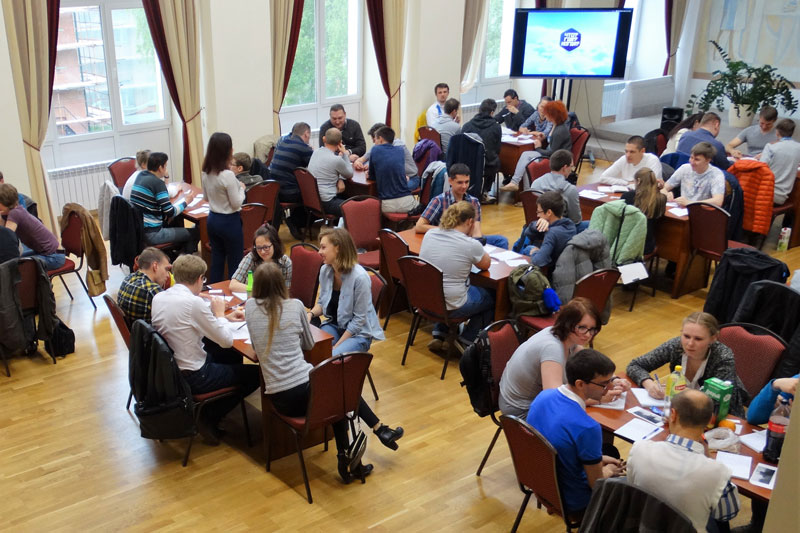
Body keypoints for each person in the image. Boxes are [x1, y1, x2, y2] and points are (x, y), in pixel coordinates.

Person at [245, 262, 404, 483]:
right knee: (339, 393)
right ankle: (364, 444)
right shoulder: (295, 307)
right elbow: (309, 344)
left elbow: (255, 345)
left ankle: (365, 444)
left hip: (279, 398)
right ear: (282, 284)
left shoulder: (249, 307)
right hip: (303, 390)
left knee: (336, 393)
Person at [151, 254, 260, 443]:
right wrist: (219, 314)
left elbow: (187, 323)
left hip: (172, 370)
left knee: (229, 355)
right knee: (256, 375)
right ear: (200, 279)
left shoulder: (159, 297)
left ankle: (218, 403)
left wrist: (221, 318)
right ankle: (210, 416)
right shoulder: (193, 303)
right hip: (195, 375)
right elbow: (226, 340)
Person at [526, 349, 625, 515]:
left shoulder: (543, 397)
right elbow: (596, 484)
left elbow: (560, 446)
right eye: (604, 384)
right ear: (580, 384)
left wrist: (599, 459)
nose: (609, 388)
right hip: (574, 501)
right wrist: (608, 471)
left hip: (542, 484)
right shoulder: (588, 427)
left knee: (608, 452)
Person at [627, 389, 740, 532]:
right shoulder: (718, 472)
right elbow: (727, 513)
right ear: (710, 420)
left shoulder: (639, 449)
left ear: (673, 415)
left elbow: (632, 487)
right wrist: (709, 459)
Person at [500, 298, 608, 417]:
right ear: (568, 324)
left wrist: (610, 381)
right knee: (589, 419)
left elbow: (589, 366)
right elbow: (555, 400)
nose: (588, 335)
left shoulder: (569, 338)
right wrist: (597, 399)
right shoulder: (552, 348)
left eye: (592, 329)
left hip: (533, 403)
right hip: (521, 411)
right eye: (582, 328)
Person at [626, 311, 748, 417]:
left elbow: (718, 401)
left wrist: (683, 394)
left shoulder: (723, 356)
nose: (690, 344)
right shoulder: (675, 345)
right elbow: (635, 365)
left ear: (713, 338)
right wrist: (649, 384)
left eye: (698, 339)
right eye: (686, 336)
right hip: (680, 410)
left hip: (718, 417)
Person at [419, 202, 494, 350]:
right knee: (492, 297)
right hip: (451, 307)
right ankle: (466, 340)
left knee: (444, 286)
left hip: (425, 300)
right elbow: (486, 265)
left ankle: (439, 334)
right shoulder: (470, 244)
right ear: (470, 222)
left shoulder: (430, 234)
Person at [308, 228, 385, 355]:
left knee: (331, 357)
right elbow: (322, 303)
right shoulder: (325, 270)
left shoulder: (360, 277)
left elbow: (358, 320)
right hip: (334, 325)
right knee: (313, 349)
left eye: (323, 247)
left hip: (358, 334)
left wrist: (336, 346)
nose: (319, 252)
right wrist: (310, 314)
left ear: (337, 248)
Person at [415, 163, 509, 249]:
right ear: (450, 181)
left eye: (467, 182)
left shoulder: (474, 201)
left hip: (467, 239)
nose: (464, 186)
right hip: (447, 240)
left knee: (501, 240)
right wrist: (448, 231)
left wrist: (477, 244)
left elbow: (476, 230)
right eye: (460, 182)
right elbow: (419, 226)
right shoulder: (439, 201)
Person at [130, 152, 199, 254]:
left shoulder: (141, 176)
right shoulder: (158, 184)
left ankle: (177, 252)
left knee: (176, 221)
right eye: (165, 166)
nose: (166, 169)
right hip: (154, 233)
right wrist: (186, 202)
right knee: (195, 233)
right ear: (160, 168)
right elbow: (170, 212)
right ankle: (183, 259)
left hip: (141, 230)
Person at [202, 132, 246, 283]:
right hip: (229, 222)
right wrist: (242, 189)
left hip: (212, 219)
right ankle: (234, 293)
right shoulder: (227, 175)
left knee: (217, 261)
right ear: (228, 151)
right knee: (235, 262)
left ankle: (214, 291)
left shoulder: (206, 171)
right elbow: (236, 203)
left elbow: (206, 198)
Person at [506, 100, 573, 189]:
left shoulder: (559, 131)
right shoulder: (556, 125)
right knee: (526, 155)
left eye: (547, 113)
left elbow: (552, 153)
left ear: (552, 115)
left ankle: (524, 188)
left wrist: (538, 148)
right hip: (552, 155)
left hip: (556, 160)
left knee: (528, 162)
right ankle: (520, 186)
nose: (544, 114)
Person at [0, 183, 65, 270]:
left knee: (14, 266)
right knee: (14, 262)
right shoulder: (11, 212)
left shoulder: (15, 213)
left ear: (4, 202)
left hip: (53, 257)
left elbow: (6, 239)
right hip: (48, 254)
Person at [269, 122, 313, 240]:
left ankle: (291, 219)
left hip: (274, 190)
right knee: (314, 196)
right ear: (306, 134)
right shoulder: (303, 148)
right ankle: (295, 221)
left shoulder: (283, 141)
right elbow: (316, 167)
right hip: (288, 193)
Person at [367, 127, 419, 215]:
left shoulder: (375, 150)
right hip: (407, 203)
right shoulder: (400, 150)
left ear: (380, 139)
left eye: (375, 140)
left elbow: (372, 176)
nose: (374, 143)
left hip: (387, 205)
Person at [354, 122, 418, 189]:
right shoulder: (378, 146)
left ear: (380, 138)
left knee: (389, 189)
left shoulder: (398, 146)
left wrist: (371, 168)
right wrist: (358, 162)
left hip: (411, 178)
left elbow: (388, 166)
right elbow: (363, 159)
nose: (373, 142)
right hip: (395, 178)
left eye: (374, 139)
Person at [522, 191, 577, 269]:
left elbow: (538, 261)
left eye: (539, 212)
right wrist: (537, 224)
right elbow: (528, 232)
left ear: (549, 212)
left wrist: (535, 252)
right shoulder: (571, 225)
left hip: (549, 269)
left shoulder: (551, 233)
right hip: (564, 266)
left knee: (528, 248)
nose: (537, 215)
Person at [461, 98, 502, 200]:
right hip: (488, 165)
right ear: (492, 112)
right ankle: (485, 191)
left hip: (468, 163)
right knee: (495, 160)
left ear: (479, 110)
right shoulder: (496, 127)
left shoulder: (467, 125)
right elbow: (497, 149)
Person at [229, 224, 291, 292]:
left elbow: (285, 291)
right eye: (258, 248)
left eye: (266, 247)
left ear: (275, 244)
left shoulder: (285, 262)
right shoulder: (251, 257)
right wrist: (259, 291)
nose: (262, 252)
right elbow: (233, 285)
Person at [116, 247, 171, 323]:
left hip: (133, 328)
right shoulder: (153, 291)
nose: (168, 275)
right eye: (166, 269)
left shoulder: (127, 279)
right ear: (155, 266)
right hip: (149, 330)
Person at [307, 128, 353, 217]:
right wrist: (345, 154)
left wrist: (339, 178)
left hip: (312, 200)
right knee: (355, 208)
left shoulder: (316, 152)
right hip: (326, 202)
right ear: (340, 142)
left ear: (324, 139)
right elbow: (349, 174)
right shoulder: (336, 160)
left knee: (344, 198)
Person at [662, 142, 725, 207]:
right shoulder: (684, 168)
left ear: (707, 160)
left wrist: (690, 203)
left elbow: (718, 201)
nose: (692, 162)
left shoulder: (716, 174)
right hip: (682, 208)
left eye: (697, 159)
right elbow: (663, 188)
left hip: (701, 209)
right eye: (691, 157)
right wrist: (666, 194)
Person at [621, 168, 666, 255]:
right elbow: (660, 216)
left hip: (625, 243)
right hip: (646, 245)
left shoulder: (627, 196)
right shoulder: (661, 198)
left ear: (638, 181)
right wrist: (658, 190)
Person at [761, 118, 800, 206]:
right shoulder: (798, 148)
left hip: (765, 194)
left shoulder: (770, 147)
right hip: (782, 197)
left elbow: (761, 169)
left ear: (777, 132)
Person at [598, 135, 662, 186]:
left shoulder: (652, 160)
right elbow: (603, 178)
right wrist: (627, 183)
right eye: (626, 151)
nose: (628, 155)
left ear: (642, 151)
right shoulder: (624, 159)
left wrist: (632, 184)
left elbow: (651, 184)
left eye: (632, 152)